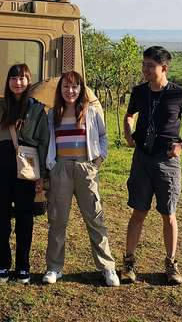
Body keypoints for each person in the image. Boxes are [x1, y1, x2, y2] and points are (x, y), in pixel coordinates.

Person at [122, 46, 182, 285]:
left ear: (164, 68)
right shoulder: (139, 91)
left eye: (150, 66)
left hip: (168, 160)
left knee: (168, 213)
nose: (145, 69)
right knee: (139, 211)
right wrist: (128, 135)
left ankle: (171, 263)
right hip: (143, 157)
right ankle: (128, 262)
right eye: (143, 64)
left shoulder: (179, 94)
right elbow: (129, 116)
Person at [42, 71, 120, 287]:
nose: (70, 91)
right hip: (61, 171)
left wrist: (98, 162)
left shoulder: (92, 112)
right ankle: (54, 268)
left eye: (75, 87)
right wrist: (52, 167)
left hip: (86, 170)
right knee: (57, 221)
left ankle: (108, 268)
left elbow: (102, 137)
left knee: (95, 219)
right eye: (66, 86)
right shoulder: (52, 115)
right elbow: (47, 143)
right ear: (60, 89)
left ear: (81, 89)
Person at [0, 63, 49, 284]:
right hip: (0, 171)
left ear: (29, 81)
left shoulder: (37, 110)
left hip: (26, 172)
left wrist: (42, 175)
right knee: (1, 220)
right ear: (8, 82)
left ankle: (23, 267)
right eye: (13, 78)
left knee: (25, 221)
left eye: (22, 79)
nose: (17, 83)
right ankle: (2, 266)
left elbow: (44, 143)